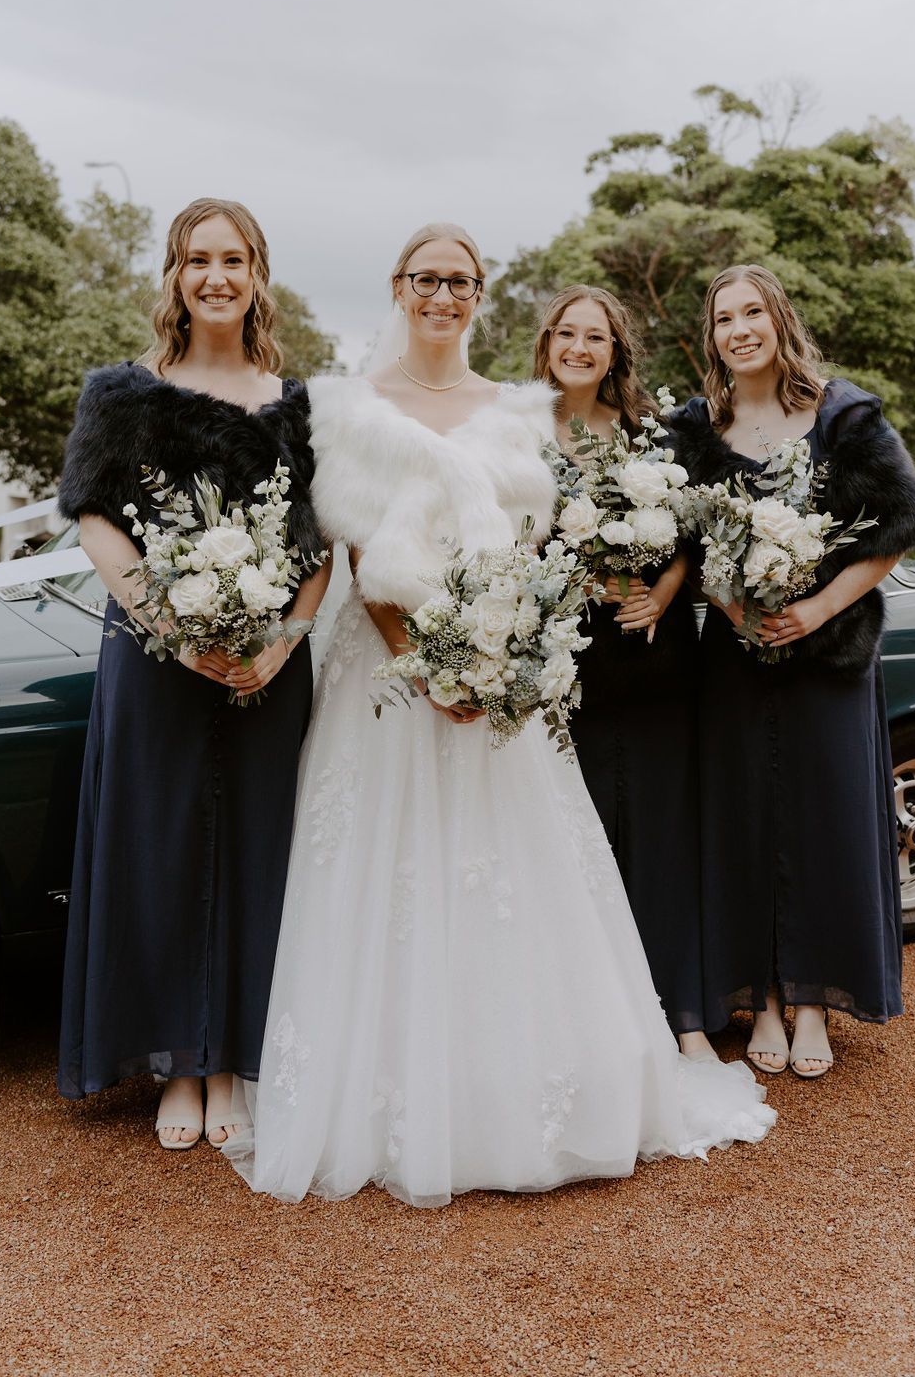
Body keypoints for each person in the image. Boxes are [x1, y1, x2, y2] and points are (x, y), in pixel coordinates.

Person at [223, 224, 773, 1208]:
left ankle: (513, 1090)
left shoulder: (512, 411)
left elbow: (527, 550)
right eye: (427, 279)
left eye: (461, 282)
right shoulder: (349, 406)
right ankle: (392, 1099)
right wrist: (422, 660)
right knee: (385, 882)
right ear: (398, 286)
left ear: (479, 296)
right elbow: (352, 552)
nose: (443, 296)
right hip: (385, 676)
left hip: (494, 673)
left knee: (508, 878)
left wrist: (504, 651)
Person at [57, 198, 331, 1148]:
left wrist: (280, 644)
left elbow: (319, 545)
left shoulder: (296, 403)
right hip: (154, 656)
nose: (215, 277)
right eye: (196, 260)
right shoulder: (121, 392)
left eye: (234, 260)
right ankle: (177, 1062)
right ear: (174, 275)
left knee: (261, 849)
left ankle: (236, 1061)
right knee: (161, 844)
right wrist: (170, 625)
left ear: (258, 274)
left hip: (266, 666)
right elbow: (96, 517)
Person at [672, 264, 915, 1078]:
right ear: (712, 337)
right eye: (724, 319)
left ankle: (815, 1000)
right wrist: (733, 607)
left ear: (780, 320)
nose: (739, 329)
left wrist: (817, 611)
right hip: (733, 661)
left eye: (753, 312)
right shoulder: (695, 426)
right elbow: (678, 541)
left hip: (831, 658)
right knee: (743, 820)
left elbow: (898, 526)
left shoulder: (842, 413)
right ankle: (769, 1002)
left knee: (824, 823)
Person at [535, 285, 712, 1054]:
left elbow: (693, 542)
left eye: (596, 338)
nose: (580, 347)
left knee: (662, 837)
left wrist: (661, 589)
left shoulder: (654, 434)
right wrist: (573, 579)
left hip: (653, 660)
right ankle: (593, 1020)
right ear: (546, 345)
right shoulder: (514, 437)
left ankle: (682, 1015)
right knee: (578, 844)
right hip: (562, 670)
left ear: (616, 353)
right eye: (567, 334)